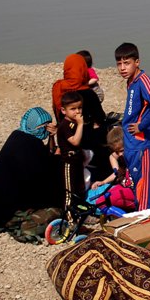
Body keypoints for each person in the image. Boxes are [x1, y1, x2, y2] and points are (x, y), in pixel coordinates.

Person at [116, 42, 150, 210]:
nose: (122, 68)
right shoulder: (131, 81)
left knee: (142, 187)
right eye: (119, 63)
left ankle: (144, 223)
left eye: (127, 63)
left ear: (137, 62)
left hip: (141, 143)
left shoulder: (143, 80)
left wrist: (142, 125)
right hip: (132, 143)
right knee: (144, 183)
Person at [51, 53, 110, 181]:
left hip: (65, 140)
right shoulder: (88, 94)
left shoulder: (59, 89)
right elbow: (100, 119)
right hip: (87, 145)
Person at [55, 91, 88, 222]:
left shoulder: (74, 124)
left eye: (79, 108)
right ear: (64, 110)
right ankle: (69, 219)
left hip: (77, 161)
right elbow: (75, 141)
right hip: (68, 162)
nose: (77, 112)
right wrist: (80, 124)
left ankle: (79, 215)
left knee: (79, 189)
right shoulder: (64, 126)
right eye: (73, 109)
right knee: (70, 191)